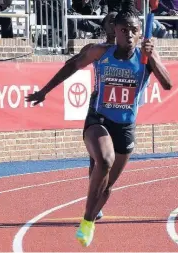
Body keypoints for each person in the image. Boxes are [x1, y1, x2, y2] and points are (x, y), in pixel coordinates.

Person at [25, 9, 172, 247]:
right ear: (115, 31)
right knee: (105, 160)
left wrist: (153, 57)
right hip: (99, 119)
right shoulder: (101, 52)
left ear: (139, 33)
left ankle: (89, 220)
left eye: (134, 30)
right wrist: (44, 91)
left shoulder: (146, 58)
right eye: (124, 30)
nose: (129, 35)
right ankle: (87, 217)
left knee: (106, 187)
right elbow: (72, 66)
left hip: (125, 127)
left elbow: (167, 84)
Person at [65, 12, 118, 221]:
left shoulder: (129, 49)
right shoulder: (96, 49)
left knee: (112, 158)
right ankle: (95, 201)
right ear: (104, 26)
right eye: (110, 21)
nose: (114, 25)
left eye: (117, 21)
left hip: (120, 108)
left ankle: (100, 195)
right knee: (97, 159)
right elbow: (75, 62)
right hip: (98, 105)